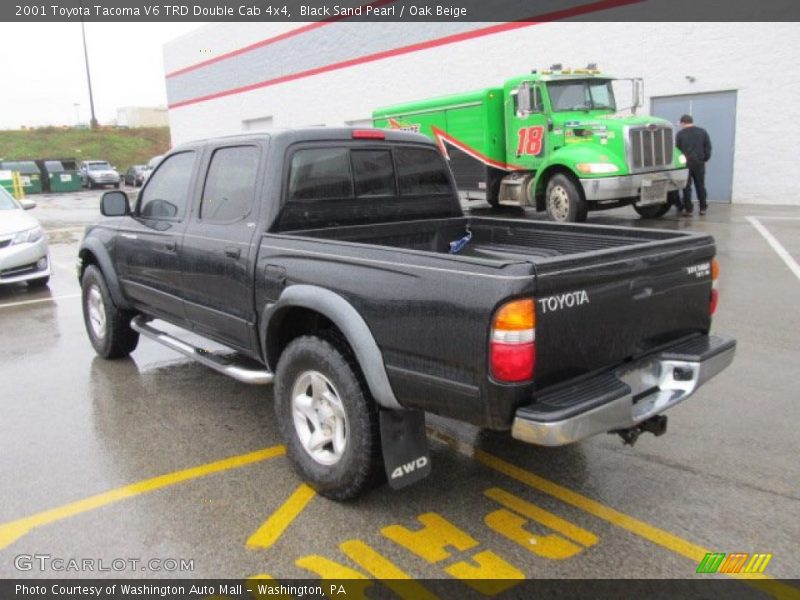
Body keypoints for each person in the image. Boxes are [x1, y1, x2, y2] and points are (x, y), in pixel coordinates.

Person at [675, 114, 712, 216]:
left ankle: (689, 209)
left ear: (683, 122)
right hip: (699, 163)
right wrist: (705, 158)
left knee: (686, 187)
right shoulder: (702, 132)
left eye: (680, 123)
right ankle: (703, 208)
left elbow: (677, 150)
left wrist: (680, 163)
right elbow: (708, 147)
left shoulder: (680, 134)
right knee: (700, 185)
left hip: (685, 164)